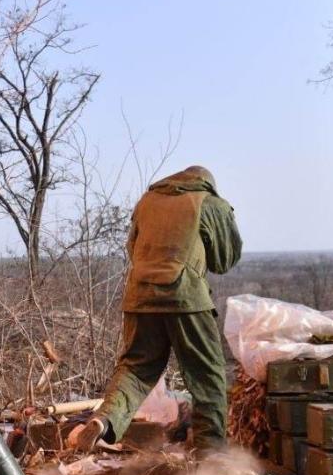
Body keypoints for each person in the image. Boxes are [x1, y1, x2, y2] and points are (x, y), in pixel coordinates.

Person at [75, 166, 242, 455]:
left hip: (140, 294)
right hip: (185, 296)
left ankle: (104, 420)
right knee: (207, 375)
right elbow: (224, 260)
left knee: (137, 368)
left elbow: (133, 248)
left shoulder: (147, 201)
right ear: (206, 184)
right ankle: (212, 456)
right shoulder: (209, 203)